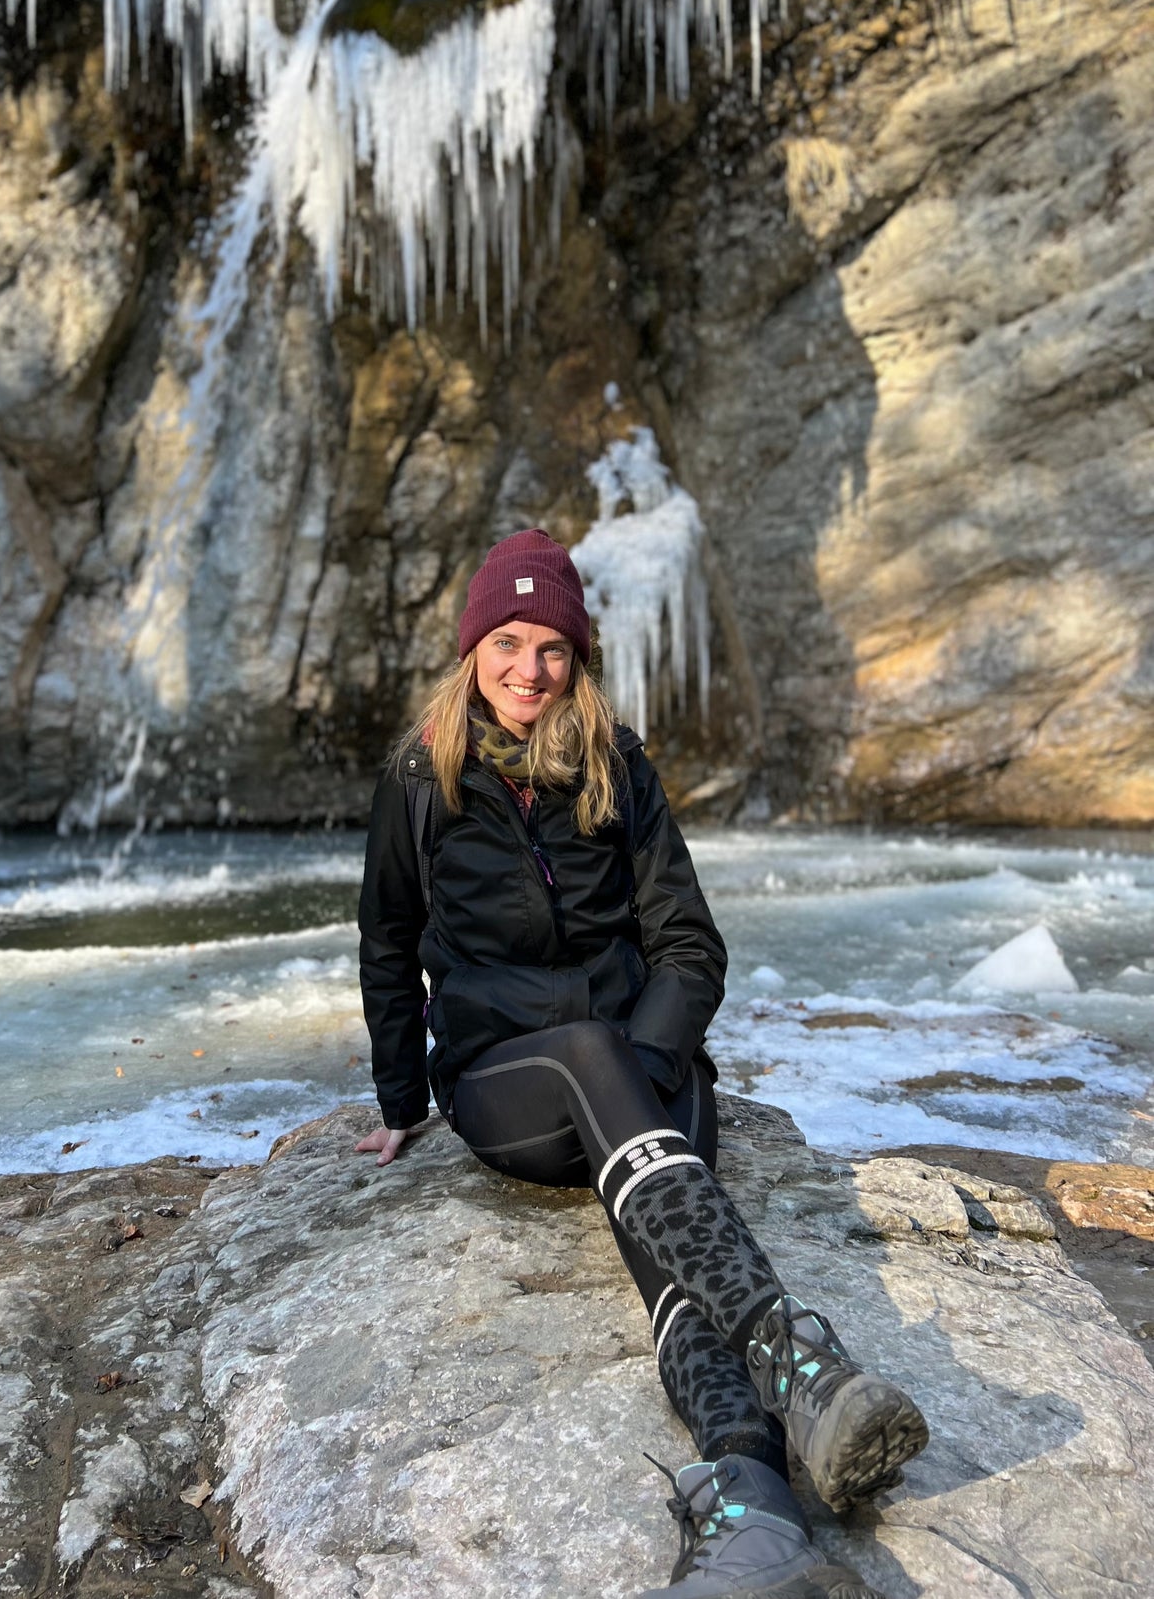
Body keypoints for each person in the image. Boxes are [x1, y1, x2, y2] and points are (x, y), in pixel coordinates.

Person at [356, 528, 927, 1599]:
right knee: (584, 1055)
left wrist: (651, 1061)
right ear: (473, 646)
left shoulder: (616, 762)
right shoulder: (418, 774)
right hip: (506, 1083)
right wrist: (398, 1097)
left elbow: (687, 945)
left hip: (642, 1074)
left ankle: (754, 1512)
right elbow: (385, 942)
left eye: (553, 649)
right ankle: (792, 1351)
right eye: (508, 642)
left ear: (578, 659)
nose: (529, 670)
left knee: (670, 1268)